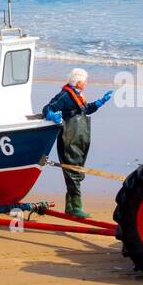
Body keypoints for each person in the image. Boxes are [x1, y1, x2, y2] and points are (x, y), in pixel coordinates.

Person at [42, 68, 113, 218]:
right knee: (73, 171)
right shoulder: (66, 95)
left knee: (77, 169)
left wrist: (100, 102)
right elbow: (47, 108)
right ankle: (76, 207)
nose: (86, 83)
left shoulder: (78, 96)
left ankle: (69, 205)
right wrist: (51, 115)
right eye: (85, 81)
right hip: (69, 138)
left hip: (80, 138)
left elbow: (85, 110)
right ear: (78, 82)